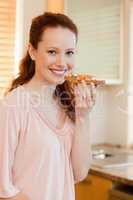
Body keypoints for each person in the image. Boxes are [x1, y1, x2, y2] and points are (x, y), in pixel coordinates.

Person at [0, 12, 96, 200]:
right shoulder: (12, 107)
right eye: (52, 52)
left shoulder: (68, 104)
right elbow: (3, 188)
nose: (62, 62)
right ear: (32, 51)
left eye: (69, 53)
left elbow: (79, 173)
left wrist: (83, 116)